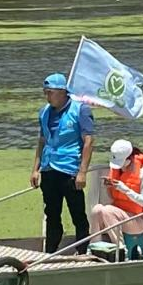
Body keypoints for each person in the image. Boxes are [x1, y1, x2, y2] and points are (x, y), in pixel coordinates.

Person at [30, 73, 95, 254]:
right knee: (51, 213)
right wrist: (35, 169)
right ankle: (50, 251)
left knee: (77, 214)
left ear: (62, 92)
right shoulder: (44, 112)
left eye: (50, 92)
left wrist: (82, 172)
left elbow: (88, 141)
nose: (47, 96)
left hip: (69, 169)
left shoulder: (80, 110)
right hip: (49, 168)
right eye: (45, 92)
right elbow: (42, 141)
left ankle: (82, 251)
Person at [89, 139, 143, 255]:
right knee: (97, 209)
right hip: (117, 215)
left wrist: (125, 189)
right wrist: (108, 187)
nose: (120, 167)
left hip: (137, 219)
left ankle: (120, 249)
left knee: (107, 211)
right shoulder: (116, 171)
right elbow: (112, 197)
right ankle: (95, 245)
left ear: (129, 158)